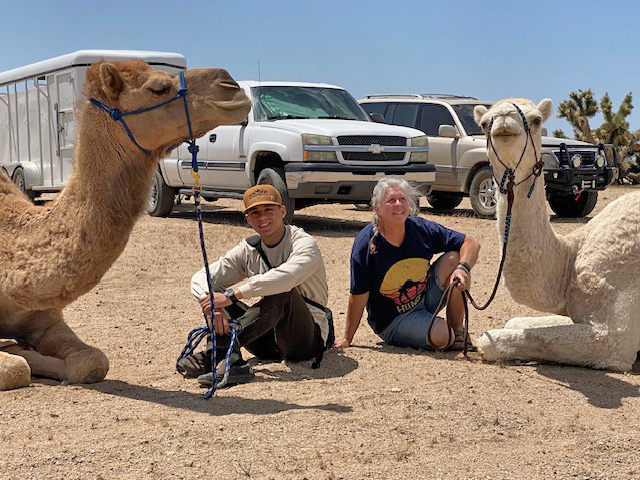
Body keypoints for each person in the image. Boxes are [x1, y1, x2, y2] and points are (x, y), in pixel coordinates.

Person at [177, 184, 331, 387]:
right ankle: (229, 358)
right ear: (247, 218)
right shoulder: (249, 249)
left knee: (282, 292)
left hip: (305, 341)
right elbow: (201, 277)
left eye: (269, 210)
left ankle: (217, 353)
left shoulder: (304, 243)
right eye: (255, 212)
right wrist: (213, 306)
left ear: (283, 211)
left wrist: (233, 295)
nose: (262, 217)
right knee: (214, 293)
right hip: (265, 343)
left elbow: (286, 277)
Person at [334, 178, 480, 352]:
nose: (398, 204)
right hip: (394, 319)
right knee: (443, 337)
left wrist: (462, 269)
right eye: (391, 200)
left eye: (402, 199)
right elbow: (358, 295)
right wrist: (346, 338)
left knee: (455, 259)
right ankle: (446, 333)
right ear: (377, 208)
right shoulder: (366, 244)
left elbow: (471, 243)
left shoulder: (420, 228)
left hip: (425, 298)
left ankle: (458, 333)